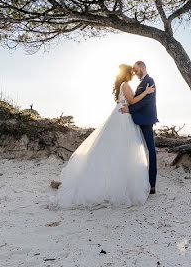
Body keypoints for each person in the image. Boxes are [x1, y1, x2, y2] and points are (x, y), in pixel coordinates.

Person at [54, 64, 155, 208]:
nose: (133, 74)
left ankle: (118, 181)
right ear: (127, 73)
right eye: (131, 72)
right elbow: (132, 101)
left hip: (121, 114)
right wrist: (146, 92)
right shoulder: (126, 85)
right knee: (122, 149)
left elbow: (130, 102)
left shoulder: (123, 84)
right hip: (123, 117)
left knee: (117, 150)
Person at [120, 59, 158, 193]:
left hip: (146, 121)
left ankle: (152, 184)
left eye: (136, 69)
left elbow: (145, 102)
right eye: (134, 70)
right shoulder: (140, 84)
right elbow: (134, 100)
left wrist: (129, 109)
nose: (134, 72)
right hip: (137, 121)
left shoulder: (150, 80)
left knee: (151, 150)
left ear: (142, 67)